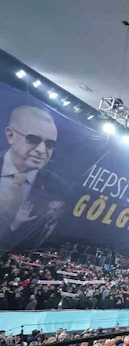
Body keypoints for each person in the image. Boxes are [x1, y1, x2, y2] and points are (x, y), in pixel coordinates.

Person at [0, 106, 69, 251]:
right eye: (33, 140)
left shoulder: (59, 189)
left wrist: (16, 225)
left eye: (50, 144)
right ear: (10, 135)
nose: (41, 150)